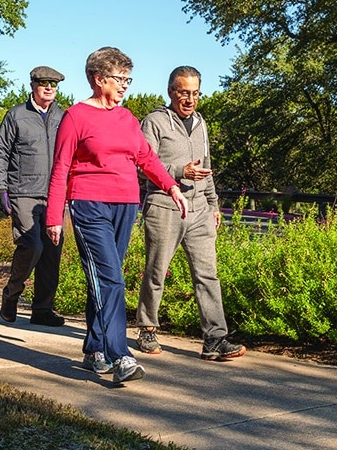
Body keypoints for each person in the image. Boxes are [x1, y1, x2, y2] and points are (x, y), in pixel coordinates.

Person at [45, 47, 188, 384]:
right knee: (110, 279)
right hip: (88, 204)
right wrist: (54, 216)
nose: (125, 85)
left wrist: (171, 186)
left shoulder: (126, 118)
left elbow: (146, 157)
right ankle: (119, 354)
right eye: (120, 79)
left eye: (128, 79)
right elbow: (61, 167)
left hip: (125, 205)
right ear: (98, 79)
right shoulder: (75, 116)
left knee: (104, 280)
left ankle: (94, 347)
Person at [136, 66, 246, 361]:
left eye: (196, 93)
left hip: (198, 209)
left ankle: (215, 339)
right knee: (156, 271)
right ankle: (147, 328)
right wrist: (178, 171)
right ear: (171, 91)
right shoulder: (155, 122)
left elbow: (206, 167)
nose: (190, 99)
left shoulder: (200, 123)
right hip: (164, 206)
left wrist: (213, 204)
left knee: (208, 274)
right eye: (184, 92)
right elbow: (143, 164)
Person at [0, 65, 67, 327]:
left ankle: (42, 310)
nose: (49, 88)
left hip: (55, 194)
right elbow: (0, 153)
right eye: (44, 83)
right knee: (32, 245)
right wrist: (0, 189)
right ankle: (12, 292)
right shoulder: (16, 115)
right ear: (32, 85)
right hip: (23, 192)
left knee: (52, 253)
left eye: (53, 85)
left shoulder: (63, 117)